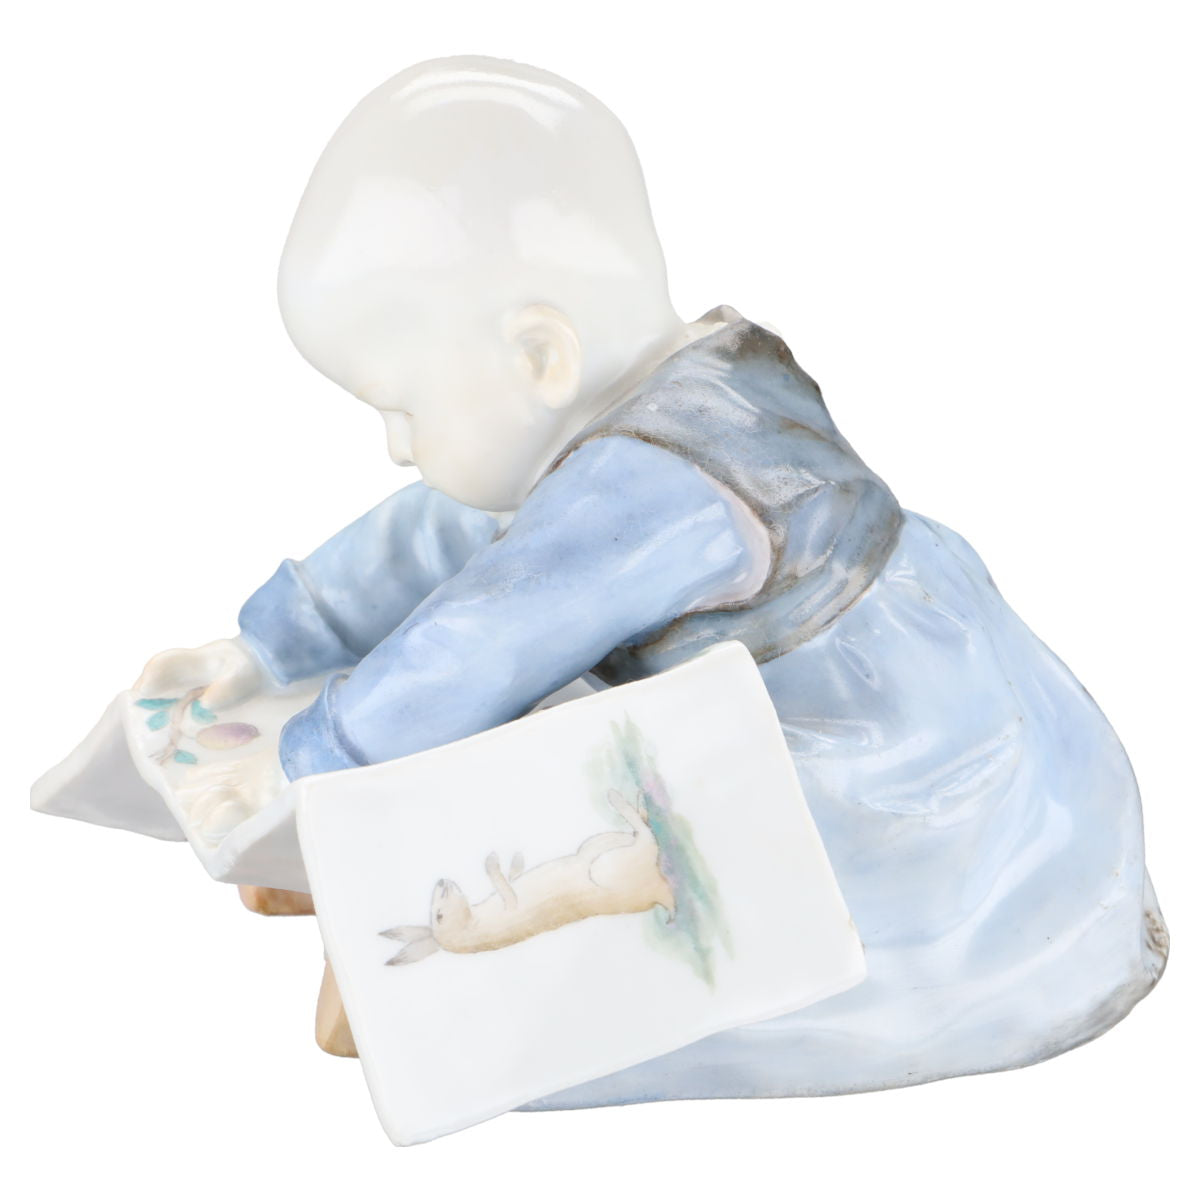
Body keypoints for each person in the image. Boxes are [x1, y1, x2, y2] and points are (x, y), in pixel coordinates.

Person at [137, 57, 1165, 1103]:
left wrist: (310, 764)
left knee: (628, 844)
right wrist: (281, 636)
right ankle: (359, 865)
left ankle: (435, 976)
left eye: (401, 411)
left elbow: (481, 638)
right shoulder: (621, 410)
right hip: (794, 695)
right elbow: (449, 534)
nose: (398, 448)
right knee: (522, 734)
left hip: (874, 770)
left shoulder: (662, 486)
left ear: (539, 355)